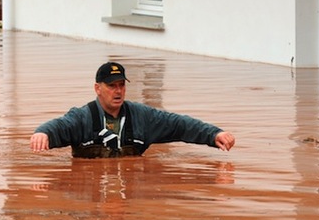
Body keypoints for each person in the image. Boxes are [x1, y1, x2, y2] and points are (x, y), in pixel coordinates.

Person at [30, 61, 235, 158]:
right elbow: (59, 126)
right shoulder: (82, 117)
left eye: (121, 85)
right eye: (112, 86)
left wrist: (213, 134)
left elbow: (179, 124)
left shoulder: (143, 117)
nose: (118, 91)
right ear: (97, 89)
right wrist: (43, 132)